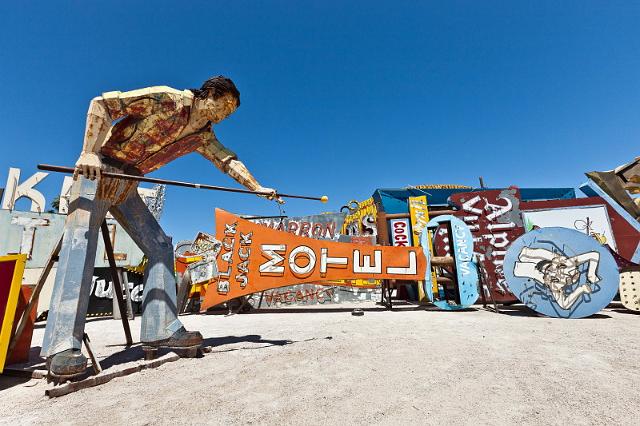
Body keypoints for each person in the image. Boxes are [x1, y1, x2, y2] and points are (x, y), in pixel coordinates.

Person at [42, 76, 282, 378]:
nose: (223, 116)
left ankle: (161, 328)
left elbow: (227, 161)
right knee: (81, 243)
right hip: (98, 171)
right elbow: (102, 104)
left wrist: (257, 187)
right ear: (209, 95)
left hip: (127, 182)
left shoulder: (203, 136)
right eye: (223, 107)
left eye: (229, 114)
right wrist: (89, 151)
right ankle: (62, 345)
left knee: (161, 247)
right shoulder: (167, 99)